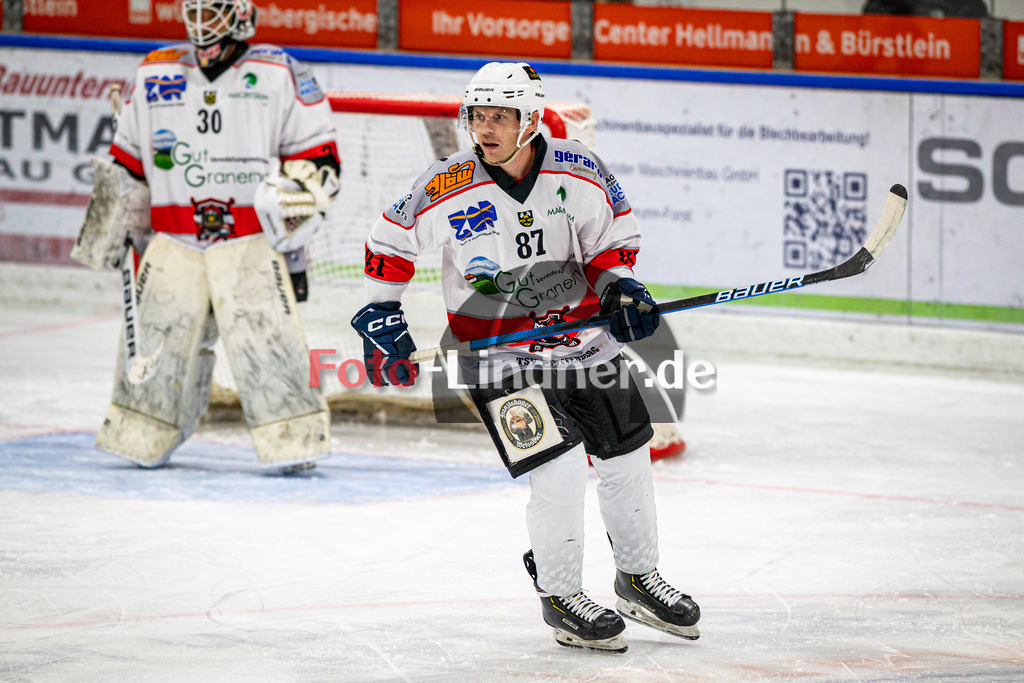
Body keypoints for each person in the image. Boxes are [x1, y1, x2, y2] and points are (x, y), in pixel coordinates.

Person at [351, 62, 699, 653]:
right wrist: (383, 315)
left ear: (529, 118)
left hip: (585, 344)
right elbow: (389, 243)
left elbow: (612, 243)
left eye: (498, 116)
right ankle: (561, 596)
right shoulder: (446, 183)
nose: (483, 128)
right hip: (496, 357)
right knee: (559, 473)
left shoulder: (580, 168)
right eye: (476, 116)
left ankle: (637, 578)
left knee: (627, 459)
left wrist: (619, 287)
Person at [76, 0, 339, 473]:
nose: (201, 22)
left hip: (249, 243)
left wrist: (299, 200)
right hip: (173, 240)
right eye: (195, 10)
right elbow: (127, 164)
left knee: (269, 348)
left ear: (241, 14)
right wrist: (112, 224)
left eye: (214, 11)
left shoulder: (280, 71)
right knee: (156, 350)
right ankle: (143, 433)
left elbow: (319, 157)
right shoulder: (153, 72)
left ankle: (293, 440)